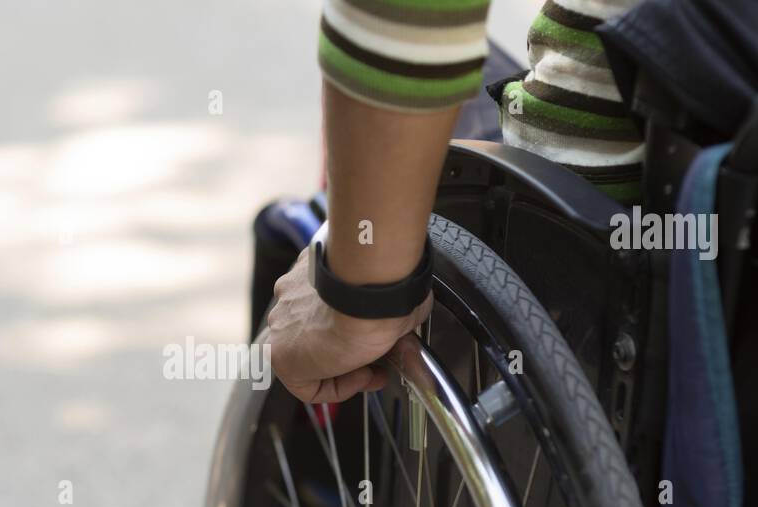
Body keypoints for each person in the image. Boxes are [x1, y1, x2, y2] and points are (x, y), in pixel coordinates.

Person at [268, 0, 641, 405]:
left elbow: (410, 13)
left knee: (380, 85)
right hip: (686, 254)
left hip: (575, 243)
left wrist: (359, 297)